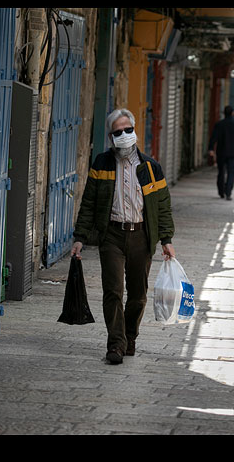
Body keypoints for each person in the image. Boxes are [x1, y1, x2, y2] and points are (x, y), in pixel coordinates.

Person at [71, 108, 176, 365]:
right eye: (119, 132)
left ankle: (130, 335)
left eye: (129, 130)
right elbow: (89, 202)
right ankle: (116, 344)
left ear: (135, 131)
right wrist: (80, 237)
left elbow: (162, 205)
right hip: (113, 236)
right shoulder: (102, 164)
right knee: (113, 291)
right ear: (111, 136)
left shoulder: (151, 168)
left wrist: (166, 240)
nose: (125, 135)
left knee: (138, 294)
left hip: (141, 236)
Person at [207, 105, 234, 201]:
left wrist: (211, 149)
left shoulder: (219, 124)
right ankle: (228, 193)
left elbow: (213, 138)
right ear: (232, 113)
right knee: (231, 172)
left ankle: (221, 192)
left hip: (221, 152)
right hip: (233, 152)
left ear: (224, 113)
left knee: (221, 172)